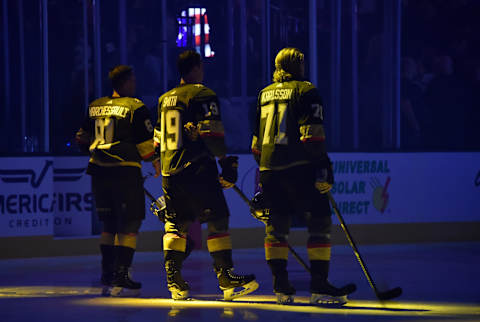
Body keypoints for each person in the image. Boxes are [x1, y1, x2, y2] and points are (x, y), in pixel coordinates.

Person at [251, 48, 356, 305]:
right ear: (298, 65)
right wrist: (323, 165)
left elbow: (255, 146)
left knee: (276, 229)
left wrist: (269, 166)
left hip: (269, 170)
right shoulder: (306, 90)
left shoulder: (264, 94)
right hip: (299, 168)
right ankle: (319, 286)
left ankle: (281, 287)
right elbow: (313, 136)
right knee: (319, 223)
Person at [154, 50, 258, 301]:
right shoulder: (203, 94)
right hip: (197, 168)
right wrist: (226, 163)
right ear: (196, 67)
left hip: (170, 172)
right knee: (218, 219)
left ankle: (174, 282)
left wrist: (159, 164)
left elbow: (157, 140)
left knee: (176, 225)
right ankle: (226, 278)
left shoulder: (164, 99)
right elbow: (212, 134)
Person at [76, 65, 160, 296]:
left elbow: (81, 138)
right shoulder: (135, 106)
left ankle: (107, 272)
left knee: (109, 224)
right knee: (130, 223)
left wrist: (97, 152)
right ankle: (122, 274)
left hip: (98, 172)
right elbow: (145, 147)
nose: (135, 84)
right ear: (125, 83)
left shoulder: (95, 106)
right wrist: (155, 161)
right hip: (125, 172)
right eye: (132, 81)